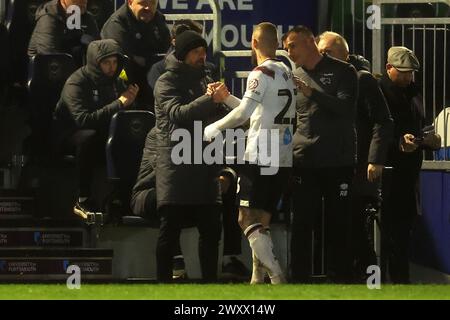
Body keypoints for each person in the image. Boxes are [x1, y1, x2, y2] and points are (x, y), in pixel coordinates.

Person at [204, 22, 297, 284]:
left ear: (253, 43)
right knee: (262, 223)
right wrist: (227, 100)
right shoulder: (286, 72)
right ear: (277, 44)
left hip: (260, 152)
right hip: (283, 154)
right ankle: (258, 279)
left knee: (245, 218)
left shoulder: (259, 72)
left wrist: (214, 127)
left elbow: (244, 115)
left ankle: (276, 274)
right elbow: (256, 111)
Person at [317, 31, 394, 280]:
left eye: (328, 52)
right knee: (335, 230)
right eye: (320, 52)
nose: (322, 57)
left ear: (345, 55)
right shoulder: (318, 83)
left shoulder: (363, 80)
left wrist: (375, 159)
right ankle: (341, 279)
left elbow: (383, 121)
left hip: (358, 171)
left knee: (356, 231)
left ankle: (371, 282)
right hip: (330, 169)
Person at [283, 26, 358, 283]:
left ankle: (342, 281)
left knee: (339, 224)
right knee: (301, 223)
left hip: (338, 162)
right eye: (286, 48)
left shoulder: (343, 71)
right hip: (305, 161)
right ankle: (299, 282)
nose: (289, 52)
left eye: (292, 45)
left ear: (309, 41)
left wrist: (312, 93)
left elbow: (346, 109)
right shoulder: (295, 75)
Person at [153, 30, 227, 282]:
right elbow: (177, 114)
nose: (202, 56)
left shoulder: (206, 77)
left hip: (205, 162)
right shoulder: (166, 81)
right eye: (196, 52)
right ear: (183, 54)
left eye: (204, 51)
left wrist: (223, 102)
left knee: (211, 229)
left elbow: (214, 116)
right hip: (176, 164)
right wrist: (209, 99)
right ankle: (162, 285)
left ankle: (210, 285)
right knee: (169, 230)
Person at [131, 128, 248, 280]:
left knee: (223, 194)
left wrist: (225, 176)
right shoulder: (159, 133)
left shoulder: (207, 132)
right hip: (150, 192)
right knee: (173, 199)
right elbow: (167, 171)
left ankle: (228, 260)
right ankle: (175, 260)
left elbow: (226, 163)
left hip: (192, 195)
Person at [53, 39, 139, 216]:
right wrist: (119, 103)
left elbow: (122, 112)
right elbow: (83, 120)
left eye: (115, 62)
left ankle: (123, 197)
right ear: (95, 62)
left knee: (133, 137)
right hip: (70, 134)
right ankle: (83, 198)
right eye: (106, 63)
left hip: (105, 131)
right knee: (89, 138)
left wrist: (130, 103)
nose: (112, 67)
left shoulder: (116, 81)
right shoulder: (76, 83)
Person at [379, 46, 441, 283]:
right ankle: (382, 281)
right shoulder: (379, 92)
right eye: (403, 72)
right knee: (387, 232)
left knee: (404, 230)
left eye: (411, 72)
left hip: (409, 173)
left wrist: (428, 140)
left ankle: (400, 282)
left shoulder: (414, 93)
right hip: (386, 172)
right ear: (388, 68)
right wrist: (397, 143)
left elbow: (419, 127)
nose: (407, 77)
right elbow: (375, 132)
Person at [101, 0, 171, 109]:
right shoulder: (117, 24)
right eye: (143, 3)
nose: (148, 8)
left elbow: (167, 48)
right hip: (129, 78)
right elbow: (120, 58)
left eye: (152, 3)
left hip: (153, 73)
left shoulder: (158, 18)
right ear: (130, 2)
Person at [28, 0, 100, 67]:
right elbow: (50, 57)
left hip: (76, 70)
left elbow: (99, 52)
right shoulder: (48, 17)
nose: (82, 1)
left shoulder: (86, 17)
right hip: (49, 71)